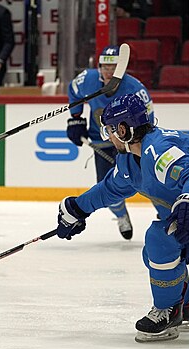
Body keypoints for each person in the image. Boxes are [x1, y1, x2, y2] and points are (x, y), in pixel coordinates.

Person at [56, 93, 189, 342]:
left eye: (110, 129)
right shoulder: (132, 157)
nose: (108, 136)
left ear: (123, 129)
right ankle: (187, 306)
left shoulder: (158, 150)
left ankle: (168, 311)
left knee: (159, 239)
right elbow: (112, 188)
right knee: (154, 254)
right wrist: (77, 208)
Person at [66, 45, 156, 240]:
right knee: (105, 186)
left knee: (148, 179)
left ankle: (165, 212)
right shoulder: (88, 80)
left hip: (130, 142)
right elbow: (73, 90)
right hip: (102, 140)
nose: (108, 71)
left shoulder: (135, 89)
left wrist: (139, 142)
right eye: (104, 66)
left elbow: (149, 116)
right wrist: (76, 118)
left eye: (113, 66)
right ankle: (121, 214)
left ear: (121, 68)